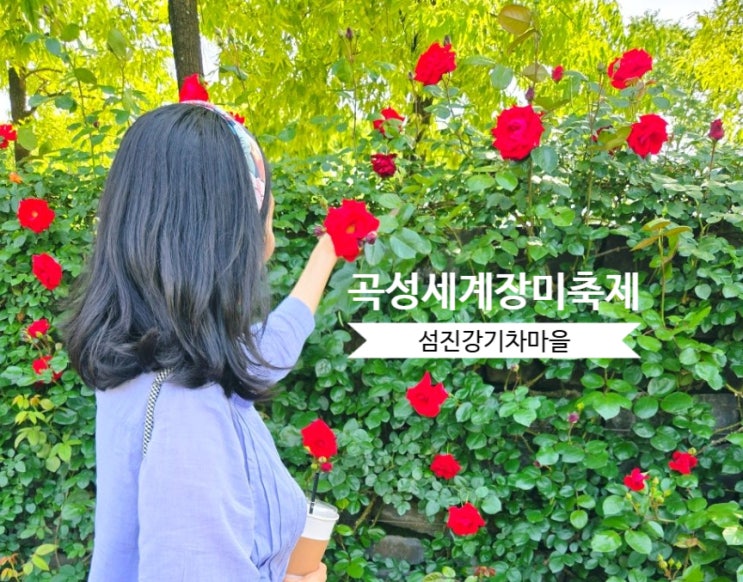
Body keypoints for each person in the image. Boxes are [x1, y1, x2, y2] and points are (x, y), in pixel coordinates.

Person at [62, 101, 339, 581]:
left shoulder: (161, 364)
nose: (270, 243)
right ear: (227, 240)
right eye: (265, 222)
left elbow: (269, 349)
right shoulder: (188, 415)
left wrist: (328, 252)